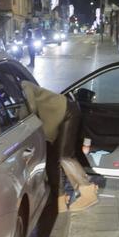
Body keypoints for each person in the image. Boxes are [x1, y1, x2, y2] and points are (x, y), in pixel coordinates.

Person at [20, 80, 99, 212]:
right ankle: (60, 199)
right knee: (52, 161)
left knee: (65, 157)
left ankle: (87, 191)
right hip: (55, 122)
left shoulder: (23, 84)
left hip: (67, 113)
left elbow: (31, 108)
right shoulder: (13, 94)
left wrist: (19, 118)